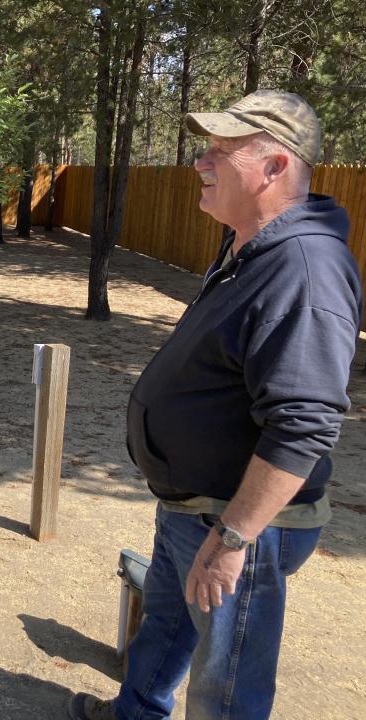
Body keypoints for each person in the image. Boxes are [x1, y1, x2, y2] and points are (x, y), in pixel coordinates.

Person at [68, 90, 363, 720]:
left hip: (241, 523)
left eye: (221, 151)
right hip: (194, 507)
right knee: (167, 627)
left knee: (225, 688)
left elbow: (304, 424)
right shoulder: (248, 246)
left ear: (276, 167)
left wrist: (233, 536)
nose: (201, 162)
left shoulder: (304, 268)